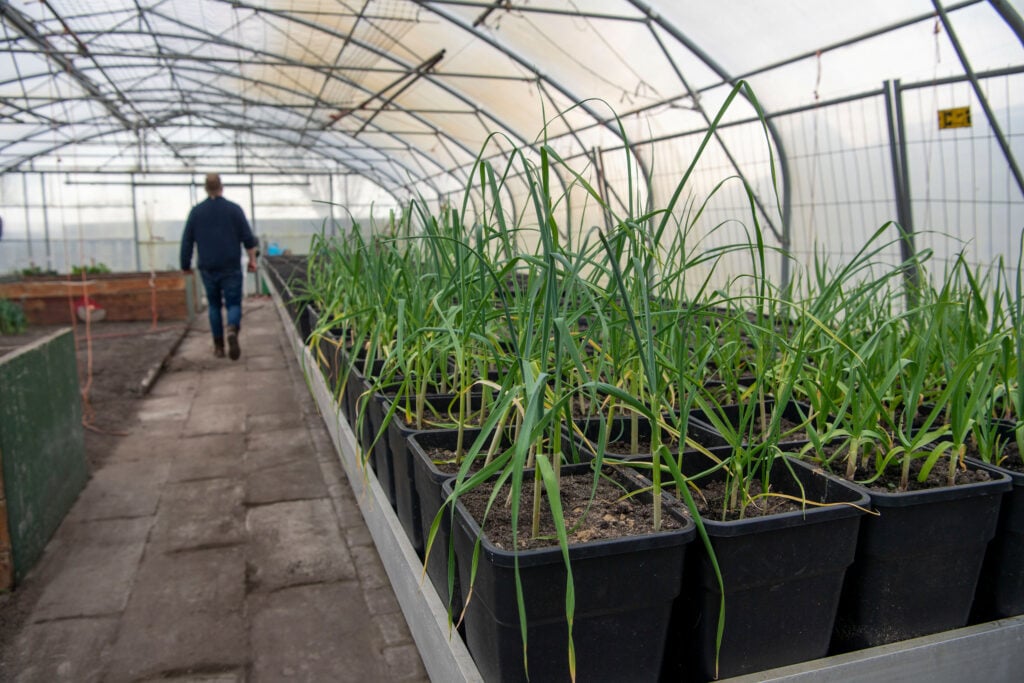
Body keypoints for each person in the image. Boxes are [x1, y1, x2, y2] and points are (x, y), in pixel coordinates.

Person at [180, 173, 258, 360]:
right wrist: (252, 260)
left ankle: (218, 346)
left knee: (214, 306)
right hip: (230, 265)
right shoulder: (233, 210)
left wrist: (185, 265)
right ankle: (232, 328)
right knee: (233, 303)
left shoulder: (197, 212)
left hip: (208, 266)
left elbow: (187, 241)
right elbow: (248, 239)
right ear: (221, 187)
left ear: (206, 189)